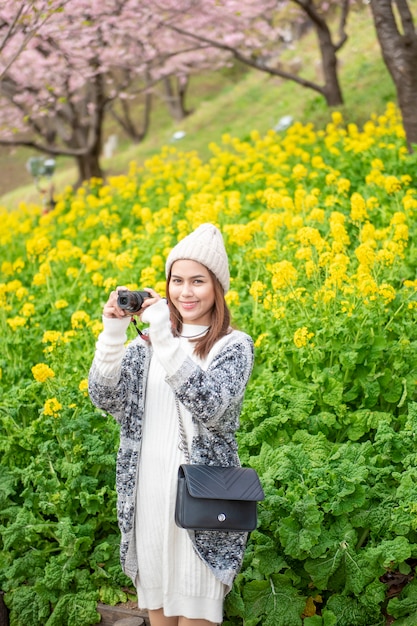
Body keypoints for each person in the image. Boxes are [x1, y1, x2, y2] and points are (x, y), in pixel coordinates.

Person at [88, 223, 254, 626]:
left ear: (217, 287)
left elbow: (210, 405)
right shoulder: (145, 345)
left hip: (203, 502)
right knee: (158, 615)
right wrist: (113, 333)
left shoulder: (233, 346)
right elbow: (106, 399)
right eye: (177, 280)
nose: (186, 292)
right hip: (147, 496)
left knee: (198, 612)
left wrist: (163, 334)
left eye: (198, 281)